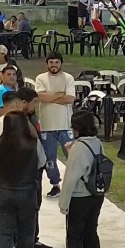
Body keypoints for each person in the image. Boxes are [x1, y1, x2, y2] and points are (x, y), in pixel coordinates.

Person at [0, 96, 43, 248]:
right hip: (26, 192)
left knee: (5, 233)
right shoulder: (33, 144)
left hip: (4, 191)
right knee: (26, 234)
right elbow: (42, 162)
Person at [58, 110, 108, 248]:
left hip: (80, 197)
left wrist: (63, 204)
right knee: (90, 234)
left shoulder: (79, 147)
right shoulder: (97, 143)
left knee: (74, 236)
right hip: (96, 195)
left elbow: (71, 178)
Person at [29, 54, 77, 196]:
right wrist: (59, 94)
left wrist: (50, 96)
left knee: (73, 157)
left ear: (61, 63)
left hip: (65, 125)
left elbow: (70, 99)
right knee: (49, 159)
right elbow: (39, 97)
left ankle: (73, 183)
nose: (54, 65)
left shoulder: (68, 78)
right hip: (46, 126)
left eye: (56, 62)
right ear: (47, 64)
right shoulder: (40, 78)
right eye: (51, 62)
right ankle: (55, 184)